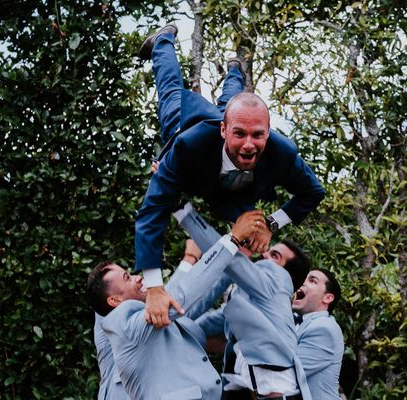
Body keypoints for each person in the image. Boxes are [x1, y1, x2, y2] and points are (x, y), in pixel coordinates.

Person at [135, 24, 326, 328]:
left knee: (231, 106)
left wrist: (271, 223)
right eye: (239, 134)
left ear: (268, 132)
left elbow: (313, 192)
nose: (250, 145)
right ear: (224, 131)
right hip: (185, 131)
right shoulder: (188, 146)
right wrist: (155, 286)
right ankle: (163, 41)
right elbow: (152, 212)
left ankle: (234, 72)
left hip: (228, 194)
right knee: (171, 92)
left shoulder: (282, 153)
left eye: (258, 135)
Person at [86, 210, 263, 400]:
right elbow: (177, 297)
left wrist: (235, 265)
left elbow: (186, 307)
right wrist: (217, 247)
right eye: (126, 277)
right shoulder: (118, 318)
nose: (136, 276)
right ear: (114, 299)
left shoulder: (154, 314)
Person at [175, 203, 319, 400]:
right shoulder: (250, 302)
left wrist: (184, 212)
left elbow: (229, 259)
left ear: (285, 273)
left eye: (274, 254)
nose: (264, 252)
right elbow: (189, 319)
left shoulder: (276, 280)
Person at [293, 269, 352, 400]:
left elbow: (289, 372)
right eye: (304, 278)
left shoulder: (324, 328)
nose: (303, 283)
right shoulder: (294, 322)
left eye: (312, 280)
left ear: (328, 298)